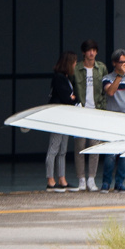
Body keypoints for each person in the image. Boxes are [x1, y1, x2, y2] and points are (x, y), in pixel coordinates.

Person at [100, 49, 125, 194]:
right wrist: (119, 76)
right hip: (114, 118)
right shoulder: (108, 78)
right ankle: (105, 183)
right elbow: (110, 92)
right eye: (121, 62)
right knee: (111, 152)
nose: (124, 65)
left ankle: (119, 183)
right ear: (114, 63)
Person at [72, 39, 108, 191]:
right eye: (89, 50)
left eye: (94, 50)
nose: (92, 53)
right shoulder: (76, 68)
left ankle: (91, 179)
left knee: (95, 146)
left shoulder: (101, 68)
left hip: (96, 112)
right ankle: (81, 179)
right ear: (84, 52)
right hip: (80, 112)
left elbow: (105, 89)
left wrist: (102, 106)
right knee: (80, 146)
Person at [46, 51, 78, 192]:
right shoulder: (59, 77)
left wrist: (73, 98)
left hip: (65, 116)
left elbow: (72, 97)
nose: (75, 64)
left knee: (63, 149)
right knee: (54, 147)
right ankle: (50, 179)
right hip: (58, 116)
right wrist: (72, 98)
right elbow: (67, 97)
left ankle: (62, 178)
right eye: (74, 62)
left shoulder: (66, 78)